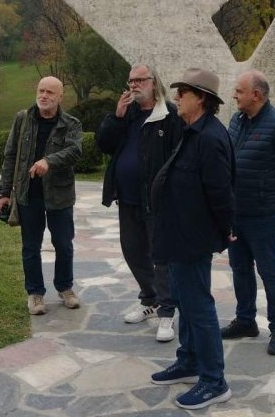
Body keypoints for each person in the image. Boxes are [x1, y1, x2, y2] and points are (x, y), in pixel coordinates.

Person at [149, 67, 234, 410]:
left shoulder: (211, 138)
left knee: (198, 307)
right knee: (184, 299)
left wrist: (222, 233)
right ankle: (189, 361)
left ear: (200, 98)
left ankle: (214, 381)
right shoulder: (192, 130)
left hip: (193, 238)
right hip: (178, 234)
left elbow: (221, 193)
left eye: (182, 92)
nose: (177, 97)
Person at [220, 69, 275, 356]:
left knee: (270, 272)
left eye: (239, 91)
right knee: (240, 269)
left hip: (264, 215)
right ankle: (245, 321)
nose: (234, 95)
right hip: (236, 213)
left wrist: (268, 193)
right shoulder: (236, 120)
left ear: (256, 95)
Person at [97, 63, 183, 342]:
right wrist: (116, 117)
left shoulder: (169, 115)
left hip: (157, 201)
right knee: (132, 251)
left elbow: (179, 156)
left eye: (139, 80)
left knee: (160, 256)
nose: (133, 85)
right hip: (128, 198)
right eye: (130, 81)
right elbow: (104, 145)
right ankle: (150, 300)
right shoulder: (128, 114)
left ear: (153, 82)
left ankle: (167, 311)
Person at [0, 76, 83, 315]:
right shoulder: (22, 119)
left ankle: (65, 288)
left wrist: (49, 161)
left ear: (60, 97)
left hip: (59, 196)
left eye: (50, 93)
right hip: (28, 194)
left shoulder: (71, 123)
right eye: (41, 91)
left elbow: (75, 151)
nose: (44, 96)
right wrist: (3, 193)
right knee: (31, 247)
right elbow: (10, 155)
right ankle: (35, 294)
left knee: (64, 245)